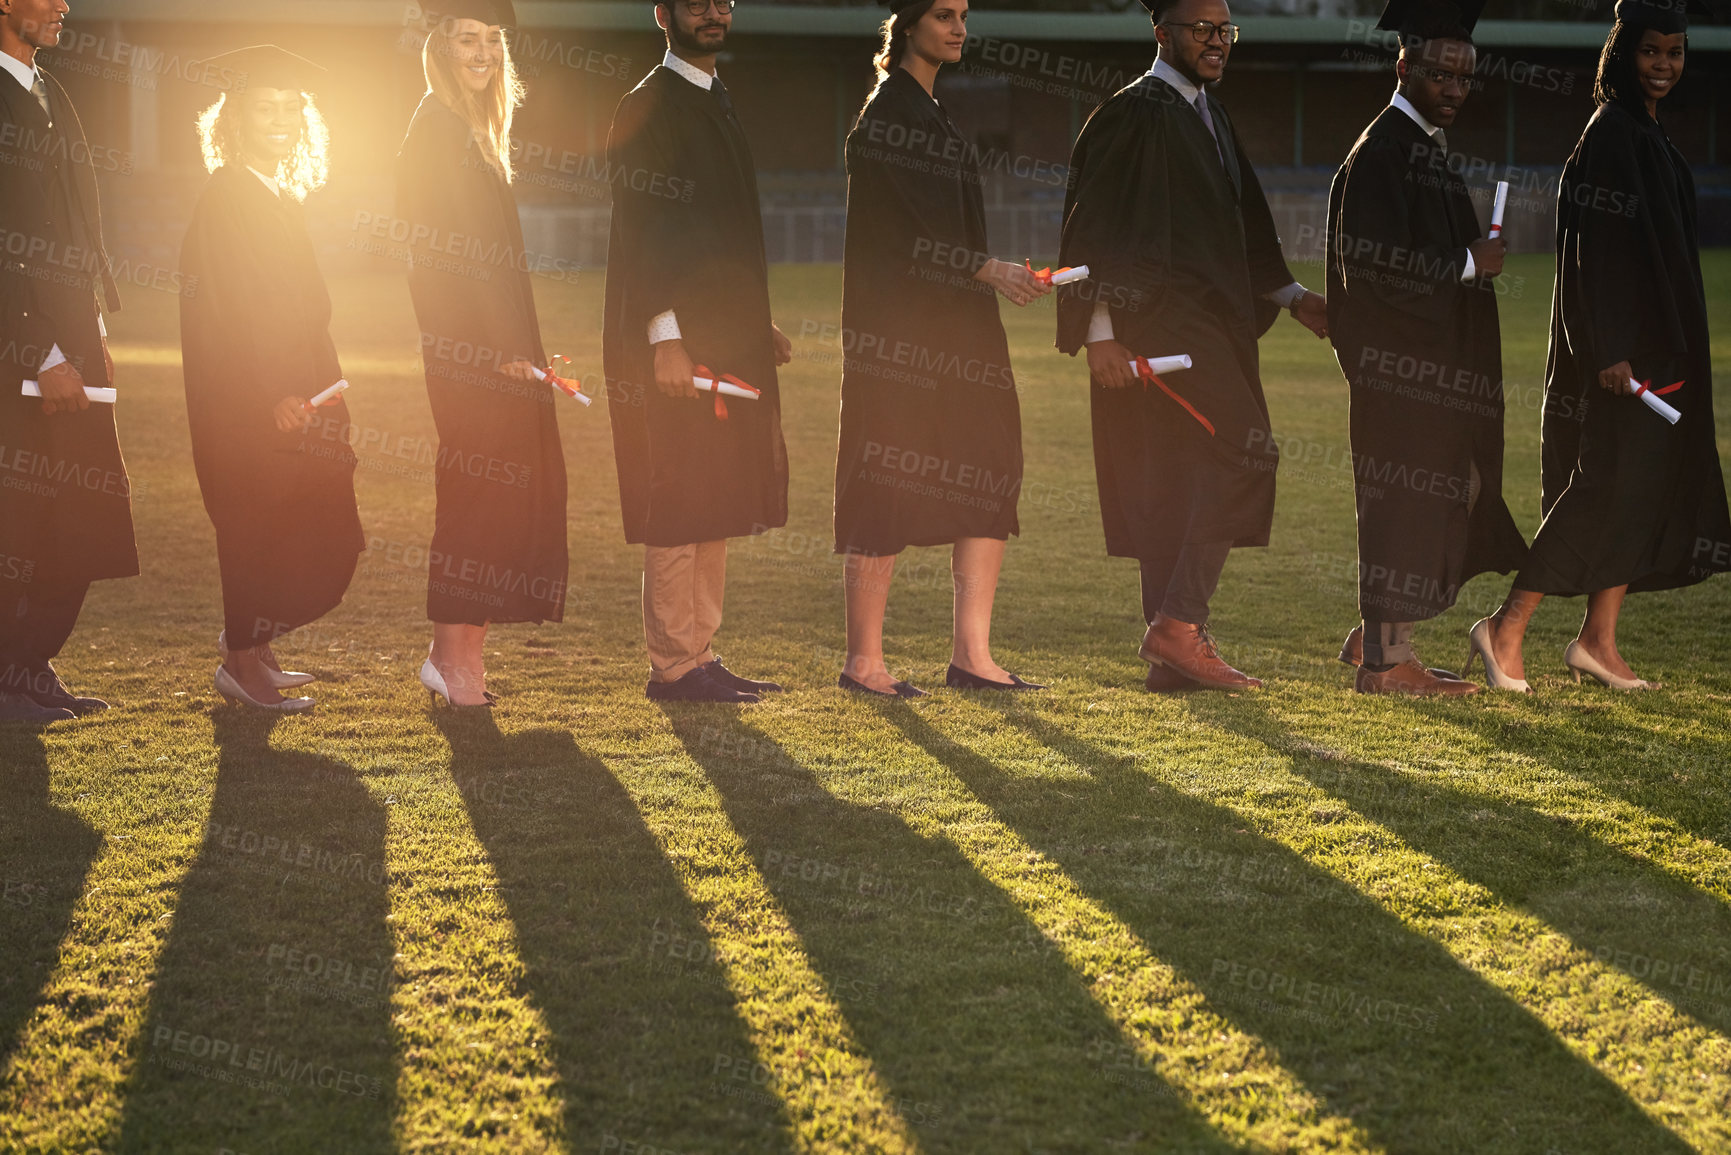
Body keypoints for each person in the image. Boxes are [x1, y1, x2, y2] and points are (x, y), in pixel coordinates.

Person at [1056, 0, 1328, 693]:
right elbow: (1090, 231)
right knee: (1246, 450)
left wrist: (1295, 300)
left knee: (1170, 484)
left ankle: (1168, 660)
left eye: (1224, 29)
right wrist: (1099, 337)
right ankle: (1177, 624)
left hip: (1212, 327)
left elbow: (1241, 231)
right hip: (1160, 332)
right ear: (1161, 33)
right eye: (1201, 28)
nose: (1216, 41)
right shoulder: (1132, 113)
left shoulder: (1209, 113)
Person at [1470, 0, 1730, 692]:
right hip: (1623, 361)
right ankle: (1505, 626)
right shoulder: (1611, 133)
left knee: (1639, 494)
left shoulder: (1648, 132)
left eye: (1674, 53)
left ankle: (1597, 641)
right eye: (1650, 52)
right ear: (1622, 55)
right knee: (1604, 491)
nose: (1663, 66)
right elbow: (1599, 251)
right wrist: (1611, 349)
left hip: (1660, 353)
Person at [832, 0, 1051, 698]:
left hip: (960, 331)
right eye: (942, 14)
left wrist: (987, 273)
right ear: (908, 25)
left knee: (988, 466)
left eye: (962, 14)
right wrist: (988, 268)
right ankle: (864, 661)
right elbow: (903, 238)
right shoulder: (885, 118)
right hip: (900, 340)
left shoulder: (934, 111)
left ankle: (972, 655)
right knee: (884, 479)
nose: (958, 27)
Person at [1323, 0, 1526, 697]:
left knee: (1441, 494)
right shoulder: (1384, 150)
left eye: (1465, 79)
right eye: (1440, 74)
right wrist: (1469, 264)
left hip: (1427, 373)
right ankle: (1385, 662)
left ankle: (1378, 639)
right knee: (1405, 504)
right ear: (1404, 65)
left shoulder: (1413, 147)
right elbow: (1376, 272)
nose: (1453, 89)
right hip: (1400, 374)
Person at [603, 0, 793, 703]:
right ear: (664, 14)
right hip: (675, 344)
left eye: (722, 1)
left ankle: (701, 652)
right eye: (695, 3)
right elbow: (645, 234)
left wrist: (755, 323)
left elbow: (727, 235)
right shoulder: (648, 104)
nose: (712, 12)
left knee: (715, 495)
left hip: (723, 333)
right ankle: (672, 664)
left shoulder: (715, 97)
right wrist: (665, 338)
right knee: (679, 495)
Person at [180, 46, 366, 713]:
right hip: (252, 405)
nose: (280, 118)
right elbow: (227, 313)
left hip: (300, 396)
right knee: (254, 529)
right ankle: (239, 659)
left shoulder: (275, 193)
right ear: (234, 119)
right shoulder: (227, 198)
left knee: (310, 523)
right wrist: (267, 394)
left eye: (290, 107)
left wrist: (322, 382)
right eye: (264, 108)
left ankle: (257, 649)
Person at [398, 0, 570, 707]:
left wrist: (524, 346)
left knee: (495, 496)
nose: (483, 53)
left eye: (493, 41)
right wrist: (498, 347)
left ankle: (454, 657)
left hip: (489, 348)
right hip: (470, 354)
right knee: (478, 499)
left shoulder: (471, 130)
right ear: (439, 45)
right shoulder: (437, 128)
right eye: (468, 38)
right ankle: (455, 659)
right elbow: (446, 257)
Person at [0, 0, 137, 724]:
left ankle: (30, 663)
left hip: (74, 336)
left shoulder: (49, 91)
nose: (62, 5)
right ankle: (5, 676)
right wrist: (37, 348)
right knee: (22, 521)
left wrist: (88, 330)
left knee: (82, 516)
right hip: (22, 350)